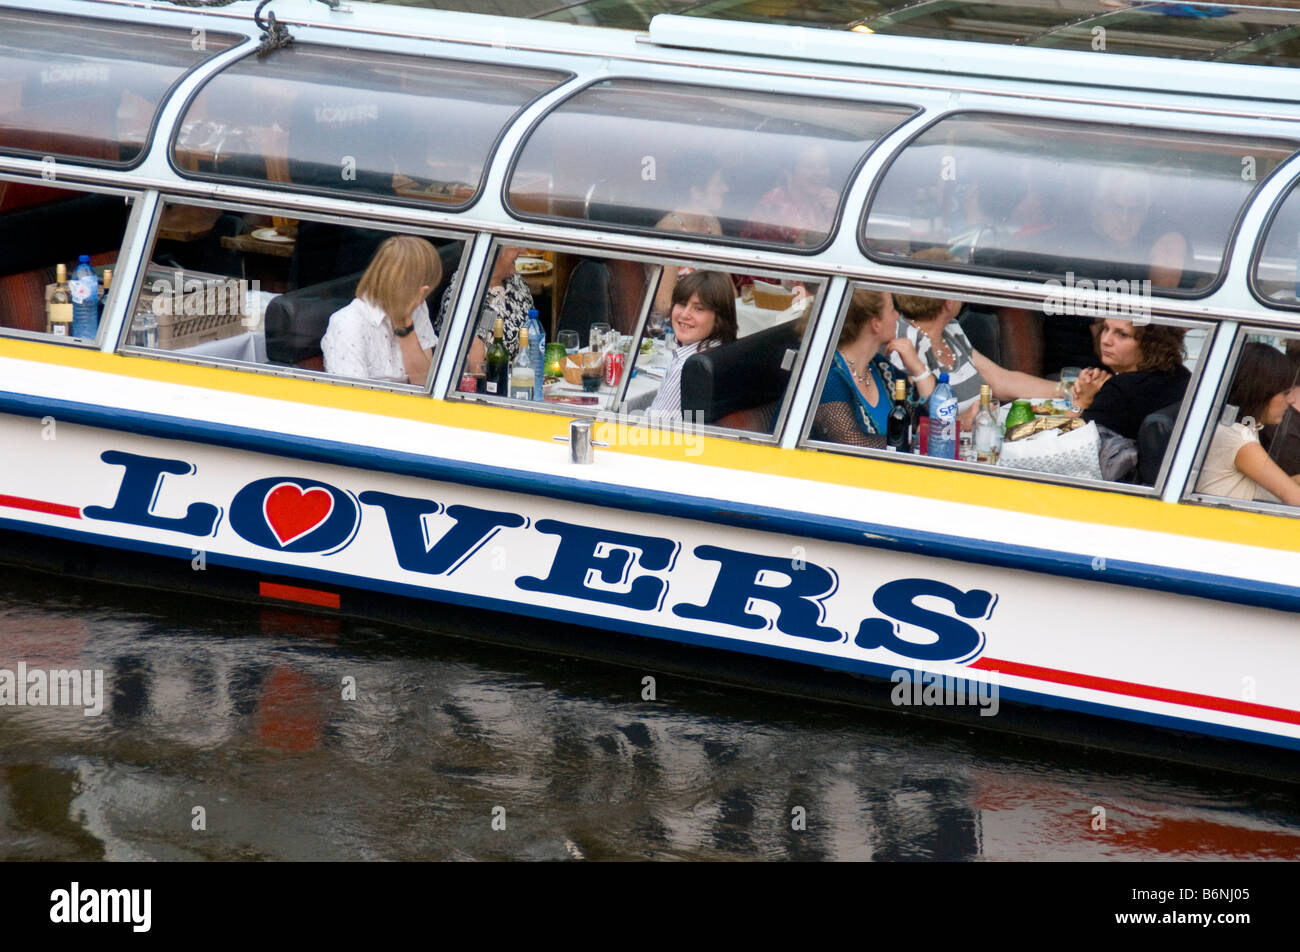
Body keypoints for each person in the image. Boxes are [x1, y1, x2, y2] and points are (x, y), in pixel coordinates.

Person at [892, 249, 1061, 424]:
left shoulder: (950, 329)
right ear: (948, 303)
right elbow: (913, 422)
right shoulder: (905, 343)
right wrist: (961, 422)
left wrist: (1067, 390)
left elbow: (1001, 380)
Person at [807, 288, 932, 447]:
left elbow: (931, 420)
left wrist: (919, 370)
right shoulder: (828, 377)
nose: (897, 316)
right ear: (876, 324)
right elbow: (852, 444)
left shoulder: (881, 367)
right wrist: (916, 442)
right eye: (893, 310)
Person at [321, 235, 441, 385]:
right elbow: (351, 398)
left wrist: (403, 324)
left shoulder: (417, 307)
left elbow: (424, 384)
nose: (424, 297)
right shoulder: (347, 323)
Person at [1196, 342, 1300, 506]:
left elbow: (1278, 485)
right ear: (1261, 393)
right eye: (1285, 393)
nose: (1291, 400)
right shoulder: (1237, 439)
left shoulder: (1233, 428)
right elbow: (1295, 498)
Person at [1067, 319, 1190, 440]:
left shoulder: (1119, 391)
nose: (1105, 340)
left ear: (1151, 343)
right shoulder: (1181, 374)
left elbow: (1061, 444)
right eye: (1105, 328)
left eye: (1122, 334)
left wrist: (1081, 401)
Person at [646, 270, 737, 420]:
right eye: (681, 304)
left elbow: (654, 427)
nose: (685, 314)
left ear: (719, 317)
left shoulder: (687, 366)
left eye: (698, 308)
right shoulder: (725, 350)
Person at [650, 152, 729, 321]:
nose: (725, 188)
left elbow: (728, 289)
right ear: (696, 192)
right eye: (718, 183)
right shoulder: (669, 231)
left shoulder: (712, 224)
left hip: (713, 322)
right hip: (679, 327)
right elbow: (664, 304)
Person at [436, 244, 534, 369]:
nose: (524, 249)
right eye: (515, 245)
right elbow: (474, 368)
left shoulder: (514, 279)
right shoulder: (463, 297)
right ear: (493, 251)